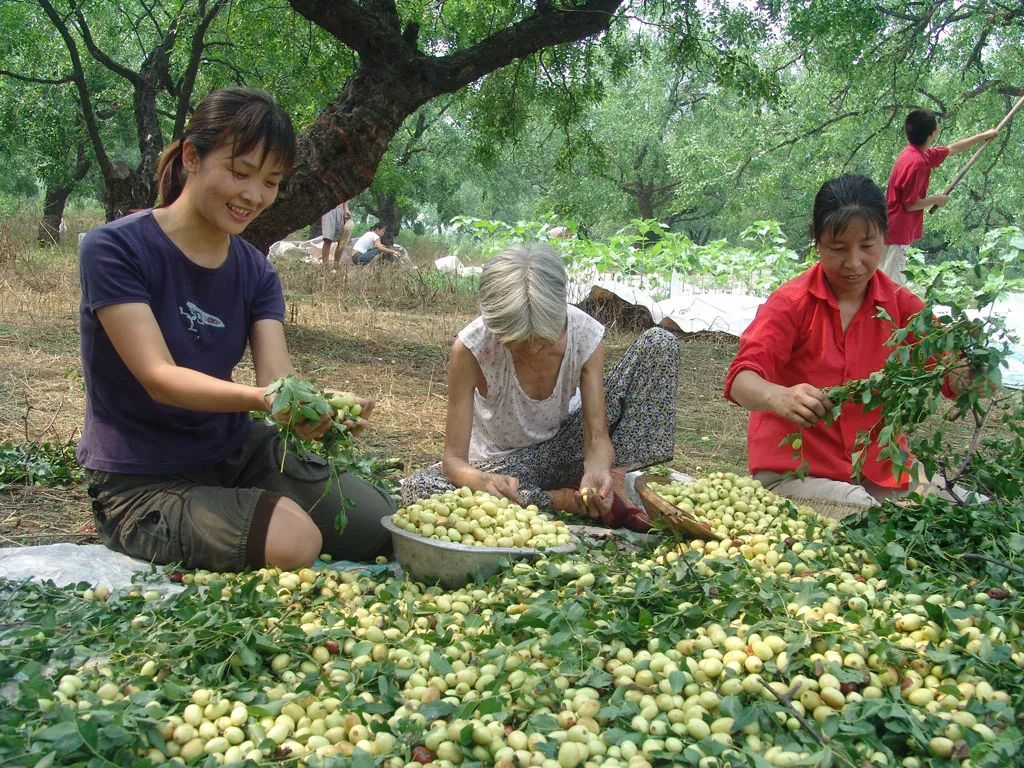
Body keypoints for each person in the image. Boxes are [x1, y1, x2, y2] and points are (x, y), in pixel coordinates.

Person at [77, 87, 394, 573]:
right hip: (143, 478)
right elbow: (159, 377)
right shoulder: (115, 249)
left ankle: (242, 505)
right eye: (240, 172)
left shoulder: (256, 271)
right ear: (191, 157)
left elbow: (278, 379)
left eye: (270, 181)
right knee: (293, 541)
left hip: (233, 453)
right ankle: (202, 518)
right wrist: (262, 399)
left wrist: (314, 406)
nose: (254, 196)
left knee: (380, 525)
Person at [724, 175, 975, 510]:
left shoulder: (902, 307)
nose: (854, 263)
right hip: (796, 474)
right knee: (861, 512)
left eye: (868, 247)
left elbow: (952, 377)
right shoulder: (792, 304)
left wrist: (971, 372)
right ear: (818, 242)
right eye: (839, 248)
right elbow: (740, 379)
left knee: (968, 506)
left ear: (885, 239)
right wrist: (778, 396)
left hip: (880, 471)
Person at [401, 244, 680, 530]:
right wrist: (480, 481)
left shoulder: (584, 334)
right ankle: (560, 499)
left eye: (544, 340)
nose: (533, 351)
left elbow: (597, 436)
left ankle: (613, 480)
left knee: (660, 343)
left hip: (567, 446)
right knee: (419, 488)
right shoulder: (472, 349)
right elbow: (453, 460)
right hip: (508, 466)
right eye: (518, 343)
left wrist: (597, 468)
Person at [881, 110, 998, 283]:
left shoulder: (915, 153)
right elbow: (910, 204)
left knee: (881, 277)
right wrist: (936, 199)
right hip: (897, 231)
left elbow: (952, 149)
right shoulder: (917, 163)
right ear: (931, 134)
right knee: (893, 283)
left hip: (888, 226)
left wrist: (983, 136)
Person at [320, 200, 353, 266]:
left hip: (340, 209)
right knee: (328, 239)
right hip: (328, 208)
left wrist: (346, 209)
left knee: (341, 241)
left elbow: (345, 197)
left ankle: (336, 266)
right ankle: (325, 266)